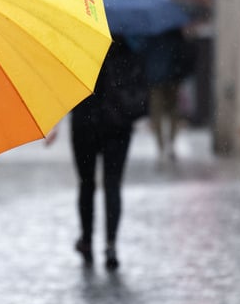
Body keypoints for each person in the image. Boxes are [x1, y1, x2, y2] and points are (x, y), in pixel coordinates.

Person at [50, 37, 145, 270]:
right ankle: (111, 245)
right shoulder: (128, 48)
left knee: (87, 184)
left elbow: (66, 87)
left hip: (85, 125)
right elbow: (139, 90)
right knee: (112, 185)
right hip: (118, 126)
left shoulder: (81, 46)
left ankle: (87, 240)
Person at [135, 28, 191, 162]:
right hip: (171, 77)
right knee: (172, 111)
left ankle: (161, 145)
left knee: (157, 112)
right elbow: (182, 53)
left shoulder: (150, 33)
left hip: (155, 78)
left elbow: (142, 53)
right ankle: (170, 142)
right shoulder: (174, 32)